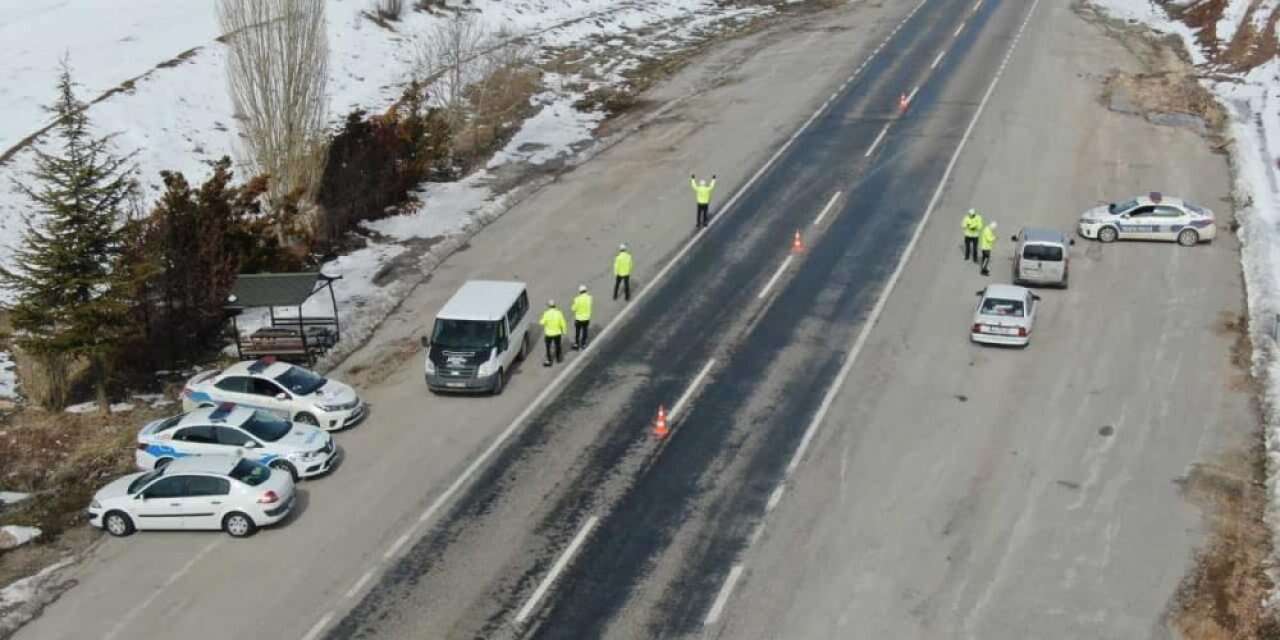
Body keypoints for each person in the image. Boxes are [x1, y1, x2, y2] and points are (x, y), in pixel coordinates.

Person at [539, 300, 566, 366]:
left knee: (548, 347)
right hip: (557, 333)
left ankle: (549, 360)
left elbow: (542, 322)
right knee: (558, 345)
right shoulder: (559, 313)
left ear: (548, 306)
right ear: (555, 305)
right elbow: (563, 322)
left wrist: (541, 320)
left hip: (549, 334)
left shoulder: (546, 313)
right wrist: (564, 331)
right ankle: (558, 358)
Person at [571, 284, 592, 350]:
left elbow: (573, 309)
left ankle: (576, 344)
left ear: (580, 291)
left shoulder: (577, 299)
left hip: (579, 318)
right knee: (585, 331)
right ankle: (583, 344)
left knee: (577, 332)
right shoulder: (589, 298)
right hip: (586, 318)